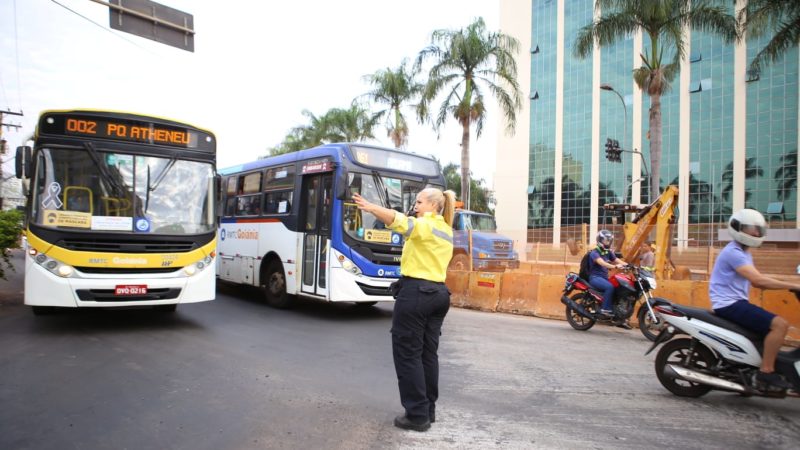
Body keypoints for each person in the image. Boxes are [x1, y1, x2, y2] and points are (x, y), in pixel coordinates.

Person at [352, 187, 456, 432]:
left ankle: (417, 415)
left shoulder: (426, 225)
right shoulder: (447, 229)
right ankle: (428, 410)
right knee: (427, 355)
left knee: (408, 354)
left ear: (432, 205)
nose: (416, 206)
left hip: (418, 294)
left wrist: (371, 208)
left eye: (419, 202)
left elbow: (399, 222)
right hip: (438, 294)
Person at [710, 209, 800, 390]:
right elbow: (758, 280)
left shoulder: (744, 253)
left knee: (766, 329)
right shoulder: (733, 252)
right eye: (752, 229)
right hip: (729, 304)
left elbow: (759, 280)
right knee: (779, 325)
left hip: (735, 302)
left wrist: (790, 284)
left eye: (758, 229)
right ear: (737, 228)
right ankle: (765, 372)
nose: (757, 233)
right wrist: (794, 286)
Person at [588, 230, 627, 320]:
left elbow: (617, 259)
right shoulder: (595, 252)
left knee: (618, 287)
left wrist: (628, 265)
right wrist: (615, 266)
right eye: (606, 240)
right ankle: (605, 309)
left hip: (604, 278)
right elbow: (602, 263)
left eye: (609, 241)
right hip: (595, 277)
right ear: (600, 240)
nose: (608, 242)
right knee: (609, 287)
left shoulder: (608, 252)